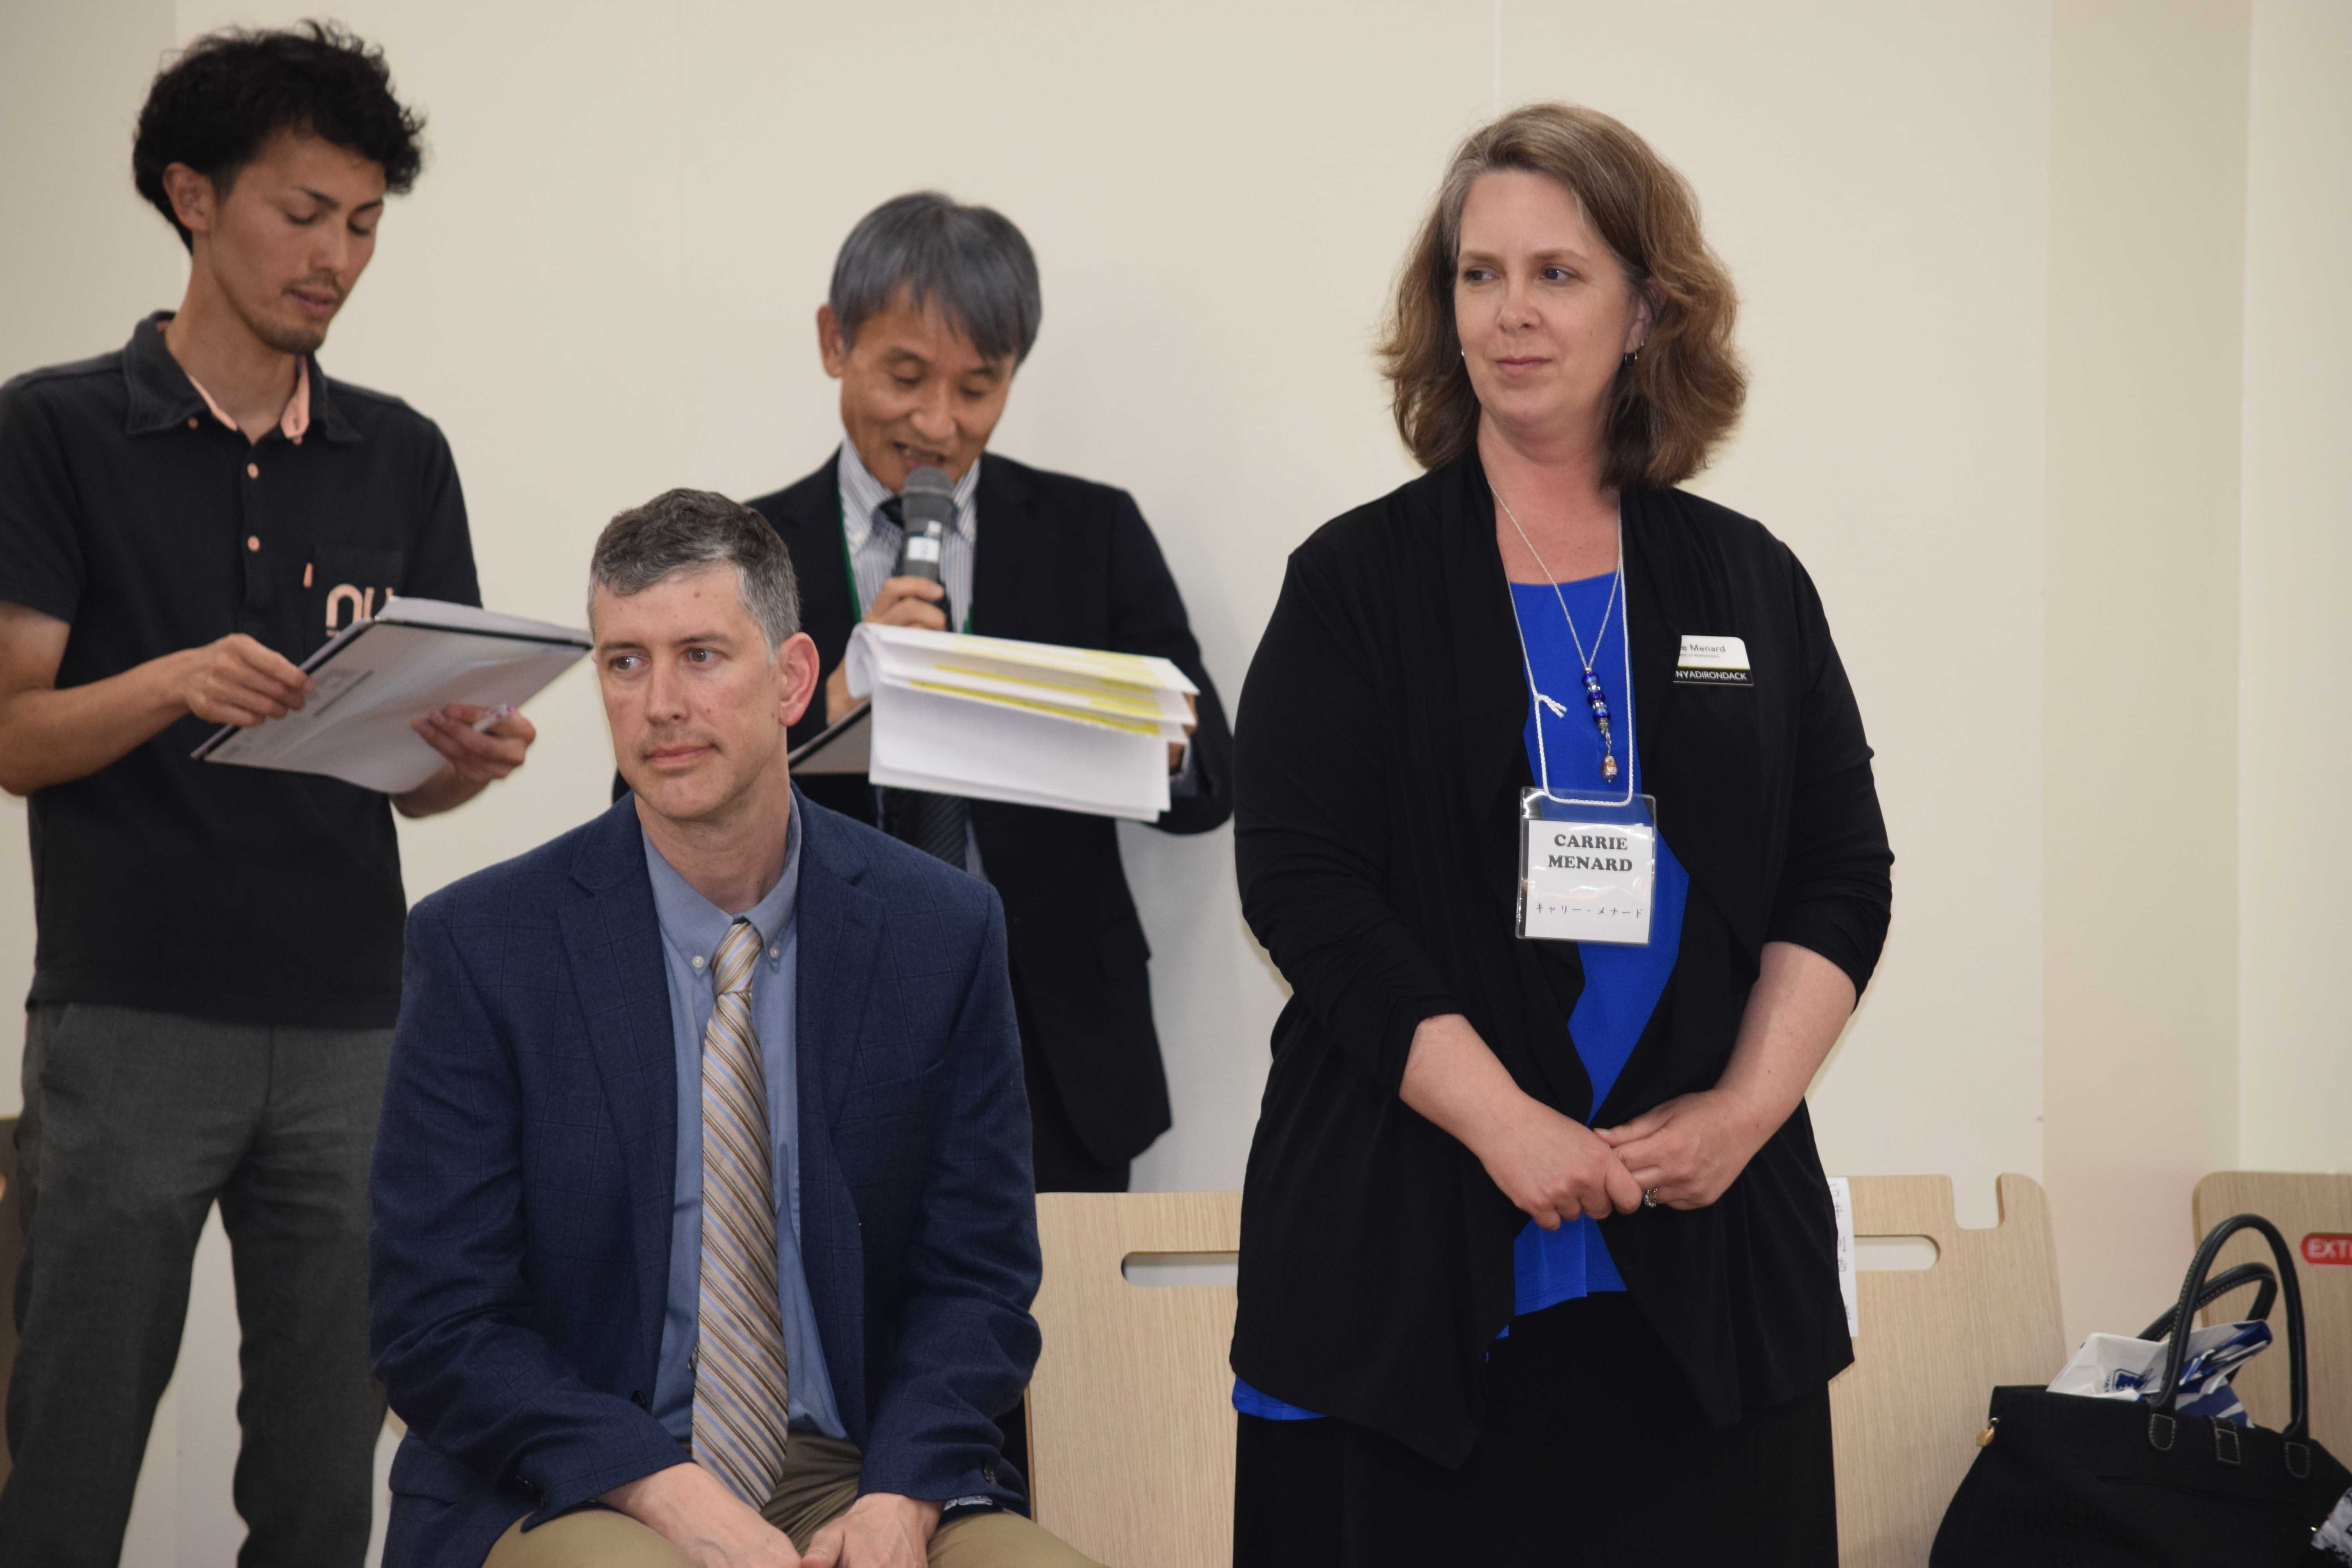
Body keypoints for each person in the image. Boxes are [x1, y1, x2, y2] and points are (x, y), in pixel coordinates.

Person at [1223, 103, 1895, 1565]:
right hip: (1407, 1278)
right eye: (1479, 275)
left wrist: (1743, 1113)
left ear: (1648, 310)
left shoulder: (1750, 583)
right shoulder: (1355, 584)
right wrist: (1505, 1124)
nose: (1510, 312)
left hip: (1704, 1273)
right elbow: (1302, 885)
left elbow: (1841, 875)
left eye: (1557, 274)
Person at [0, 25, 534, 1567]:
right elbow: (14, 736)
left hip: (356, 1028)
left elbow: (414, 791)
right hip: (128, 1020)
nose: (337, 258)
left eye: (363, 223)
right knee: (72, 1456)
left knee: (321, 1476)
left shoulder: (401, 455)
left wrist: (461, 756)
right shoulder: (52, 429)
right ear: (193, 196)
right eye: (304, 214)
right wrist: (171, 680)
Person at [371, 489, 1102, 1568]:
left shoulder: (939, 931)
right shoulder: (485, 947)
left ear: (794, 680)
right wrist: (659, 1489)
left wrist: (903, 1497)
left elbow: (978, 1282)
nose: (660, 704)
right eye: (625, 663)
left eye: (701, 656)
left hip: (858, 1467)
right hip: (578, 1471)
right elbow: (437, 1321)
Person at [744, 192, 1232, 1194]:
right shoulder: (745, 552)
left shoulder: (1091, 531)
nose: (938, 423)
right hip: (818, 1020)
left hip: (1051, 1041)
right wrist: (829, 708)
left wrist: (1061, 710)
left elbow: (1211, 780)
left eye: (979, 387)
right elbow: (656, 801)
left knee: (1064, 1299)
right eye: (906, 377)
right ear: (835, 341)